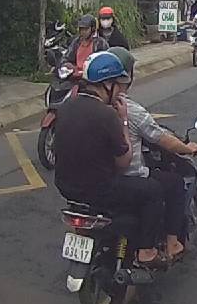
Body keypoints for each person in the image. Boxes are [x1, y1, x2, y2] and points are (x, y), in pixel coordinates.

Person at [53, 51, 166, 266]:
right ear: (107, 84)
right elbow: (123, 162)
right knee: (153, 191)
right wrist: (123, 120)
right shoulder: (107, 115)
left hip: (65, 186)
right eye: (117, 85)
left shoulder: (67, 106)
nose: (120, 91)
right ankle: (147, 252)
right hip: (98, 190)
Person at [107, 47, 197, 261]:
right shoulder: (130, 110)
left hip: (96, 178)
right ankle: (170, 243)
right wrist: (188, 148)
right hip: (128, 176)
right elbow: (160, 138)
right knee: (173, 184)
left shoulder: (90, 106)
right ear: (127, 76)